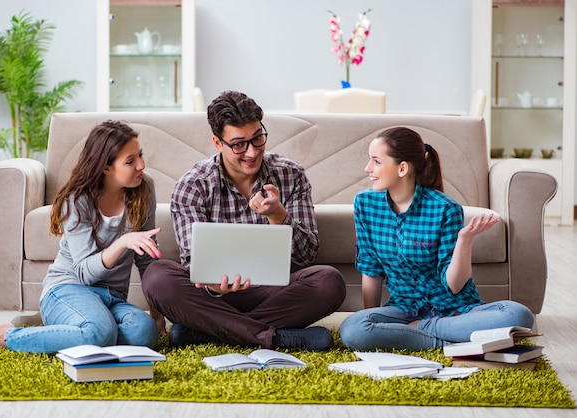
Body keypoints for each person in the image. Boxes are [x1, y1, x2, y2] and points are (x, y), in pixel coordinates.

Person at [142, 90, 346, 351]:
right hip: (213, 299)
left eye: (258, 138)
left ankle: (209, 332)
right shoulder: (192, 185)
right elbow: (194, 265)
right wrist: (216, 288)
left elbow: (307, 256)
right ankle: (274, 338)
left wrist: (277, 215)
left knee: (329, 281)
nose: (251, 152)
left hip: (274, 293)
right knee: (157, 277)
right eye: (238, 144)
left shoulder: (290, 174)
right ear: (218, 143)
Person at [0, 120, 161, 353]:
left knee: (144, 332)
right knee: (100, 332)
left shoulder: (144, 188)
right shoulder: (78, 199)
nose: (141, 165)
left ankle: (77, 330)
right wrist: (122, 243)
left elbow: (148, 260)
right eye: (130, 161)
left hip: (113, 297)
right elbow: (84, 274)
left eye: (140, 155)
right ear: (105, 167)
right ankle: (7, 336)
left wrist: (157, 316)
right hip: (68, 288)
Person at [339, 127, 534, 351]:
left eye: (376, 161)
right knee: (353, 329)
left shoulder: (445, 208)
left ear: (402, 168)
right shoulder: (365, 204)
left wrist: (464, 240)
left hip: (456, 311)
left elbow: (453, 285)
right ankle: (452, 340)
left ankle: (425, 331)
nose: (368, 169)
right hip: (404, 310)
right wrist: (370, 318)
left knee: (519, 315)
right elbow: (371, 270)